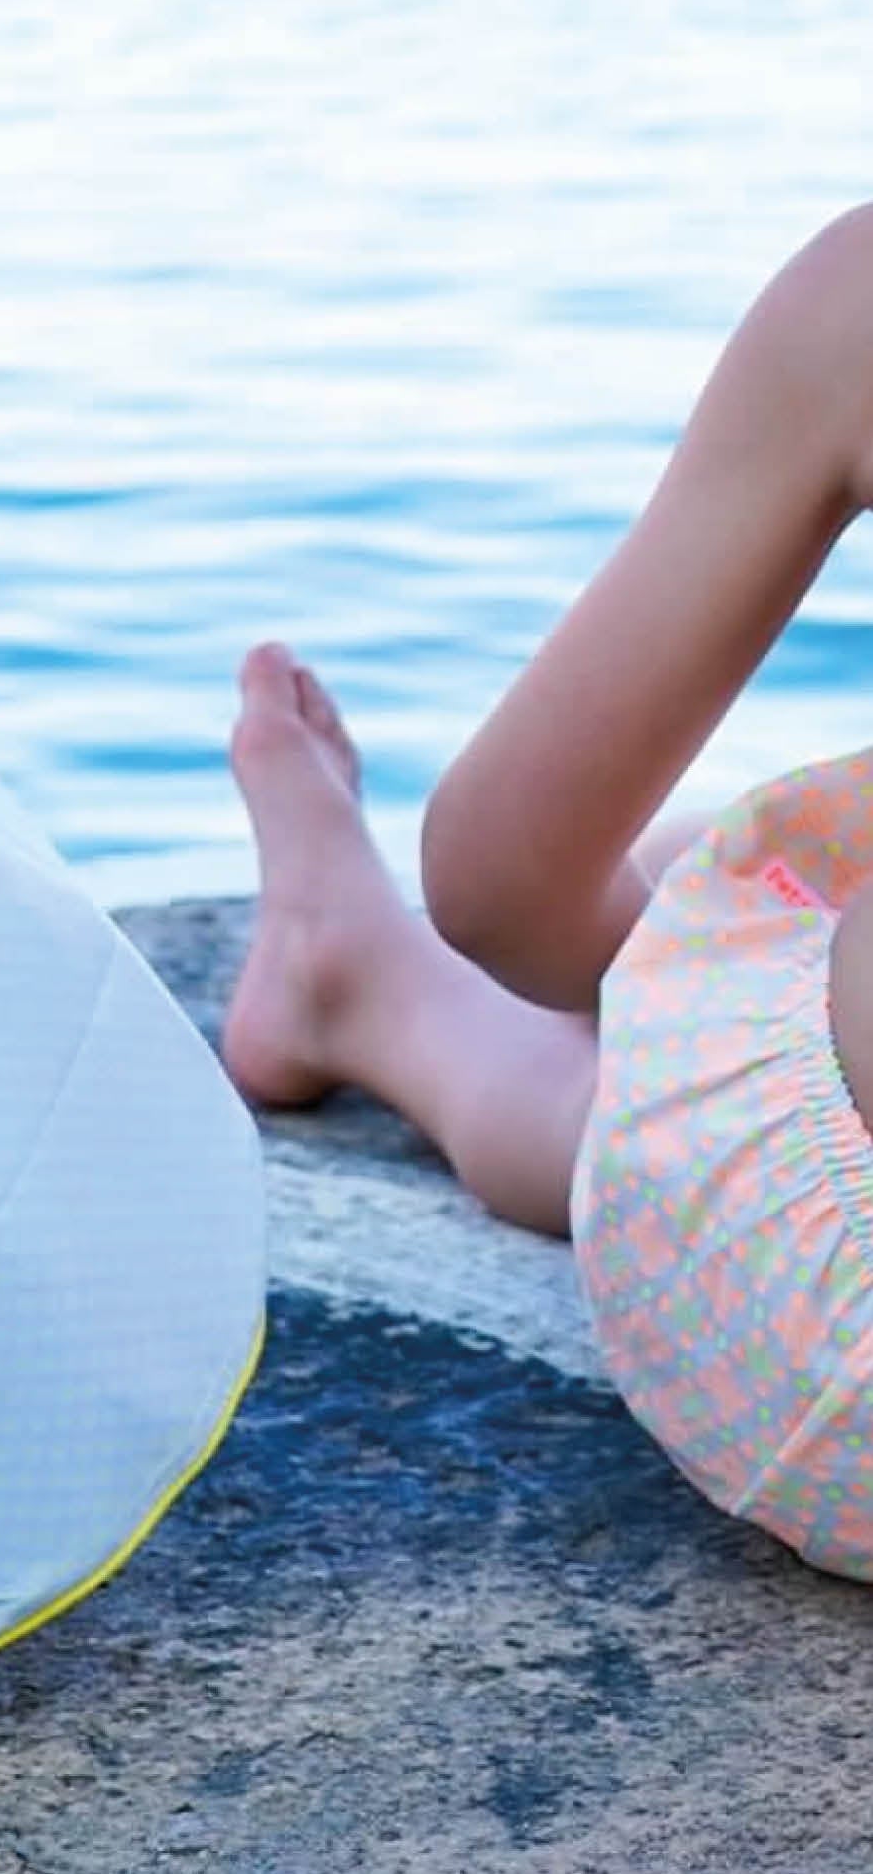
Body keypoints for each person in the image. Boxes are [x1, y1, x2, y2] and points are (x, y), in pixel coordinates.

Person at [223, 201, 873, 1574]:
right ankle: (371, 983)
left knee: (715, 1054)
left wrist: (714, 975)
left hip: (832, 1373)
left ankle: (365, 982)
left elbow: (505, 883)